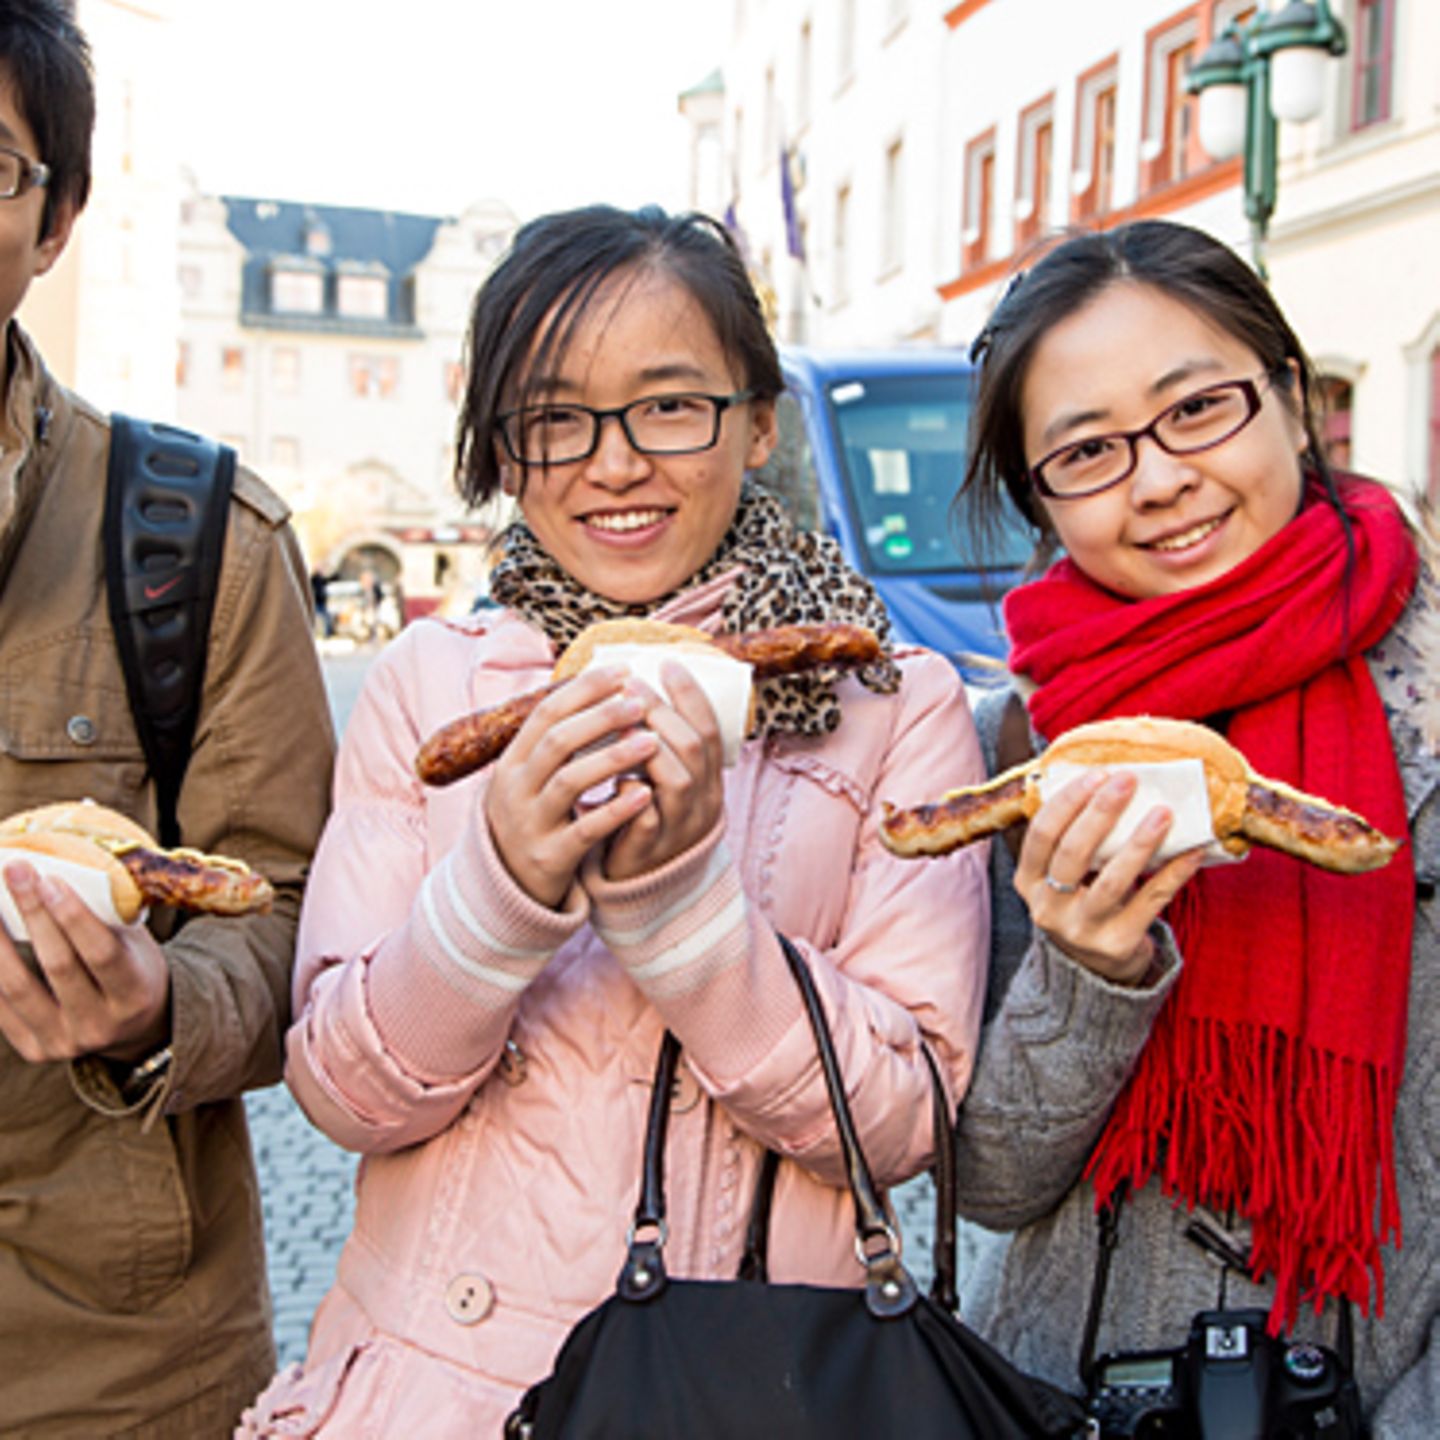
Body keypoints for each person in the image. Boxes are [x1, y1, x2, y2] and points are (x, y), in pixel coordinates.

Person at [238, 204, 990, 1437]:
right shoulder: (430, 688)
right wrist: (499, 893)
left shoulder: (887, 704)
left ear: (755, 424)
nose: (614, 461)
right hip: (437, 1390)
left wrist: (683, 915)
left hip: (755, 1383)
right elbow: (339, 1092)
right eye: (553, 417)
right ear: (500, 447)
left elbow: (902, 1124)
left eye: (669, 404)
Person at [951, 219, 1437, 1437]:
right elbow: (986, 1184)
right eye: (1089, 451)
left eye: (1198, 409)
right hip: (1061, 1401)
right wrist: (1087, 971)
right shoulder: (1012, 752)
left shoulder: (1429, 715)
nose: (1160, 478)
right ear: (1038, 499)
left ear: (1289, 396)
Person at [0, 5, 335, 1435]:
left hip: (109, 1366)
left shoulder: (198, 542)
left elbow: (298, 916)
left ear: (56, 218)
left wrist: (157, 1009)